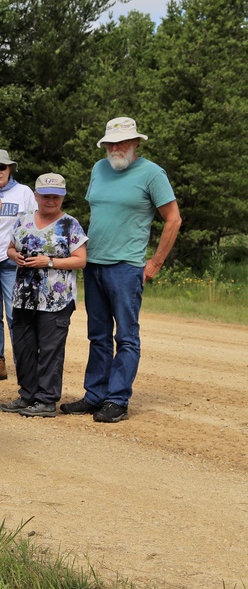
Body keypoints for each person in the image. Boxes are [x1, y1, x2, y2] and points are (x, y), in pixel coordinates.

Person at [61, 117, 181, 423]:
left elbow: (173, 219)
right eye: (111, 143)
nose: (116, 148)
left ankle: (117, 399)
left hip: (127, 266)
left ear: (136, 143)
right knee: (97, 335)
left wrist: (154, 263)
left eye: (123, 142)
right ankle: (95, 395)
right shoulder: (99, 169)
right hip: (94, 263)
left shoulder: (152, 173)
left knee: (126, 336)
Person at [0, 174, 88, 417]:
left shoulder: (70, 224)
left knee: (50, 349)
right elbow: (10, 247)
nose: (51, 200)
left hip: (56, 299)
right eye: (46, 196)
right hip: (24, 295)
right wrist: (12, 255)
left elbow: (81, 260)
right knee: (23, 347)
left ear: (62, 197)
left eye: (56, 196)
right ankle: (27, 395)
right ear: (36, 196)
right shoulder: (23, 220)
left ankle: (46, 399)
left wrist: (48, 261)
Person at [0, 149, 37, 382]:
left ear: (11, 168)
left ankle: (23, 362)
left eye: (2, 167)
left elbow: (34, 223)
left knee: (16, 314)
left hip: (11, 261)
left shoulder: (23, 192)